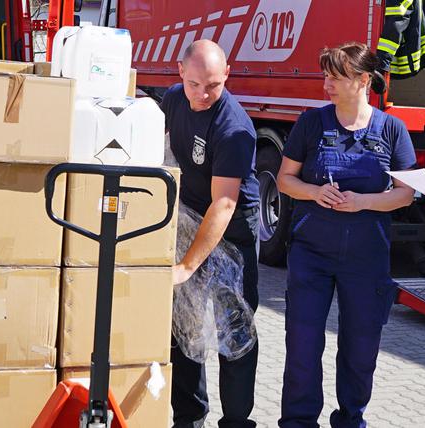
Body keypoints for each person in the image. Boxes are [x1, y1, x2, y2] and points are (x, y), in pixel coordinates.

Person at [276, 42, 417, 427]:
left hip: (366, 257)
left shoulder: (391, 129)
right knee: (303, 344)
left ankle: (350, 418)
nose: (326, 85)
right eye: (326, 76)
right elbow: (285, 180)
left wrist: (363, 202)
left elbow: (405, 195)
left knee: (360, 349)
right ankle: (299, 421)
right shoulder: (311, 122)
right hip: (311, 254)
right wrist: (314, 191)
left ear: (363, 81)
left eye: (335, 78)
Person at [161, 39, 260, 428]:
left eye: (214, 86)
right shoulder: (173, 99)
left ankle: (236, 421)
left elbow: (224, 204)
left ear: (227, 77)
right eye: (195, 84)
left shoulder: (234, 127)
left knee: (234, 331)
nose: (203, 94)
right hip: (188, 223)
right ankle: (189, 417)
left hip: (230, 236)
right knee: (184, 327)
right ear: (180, 71)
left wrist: (186, 266)